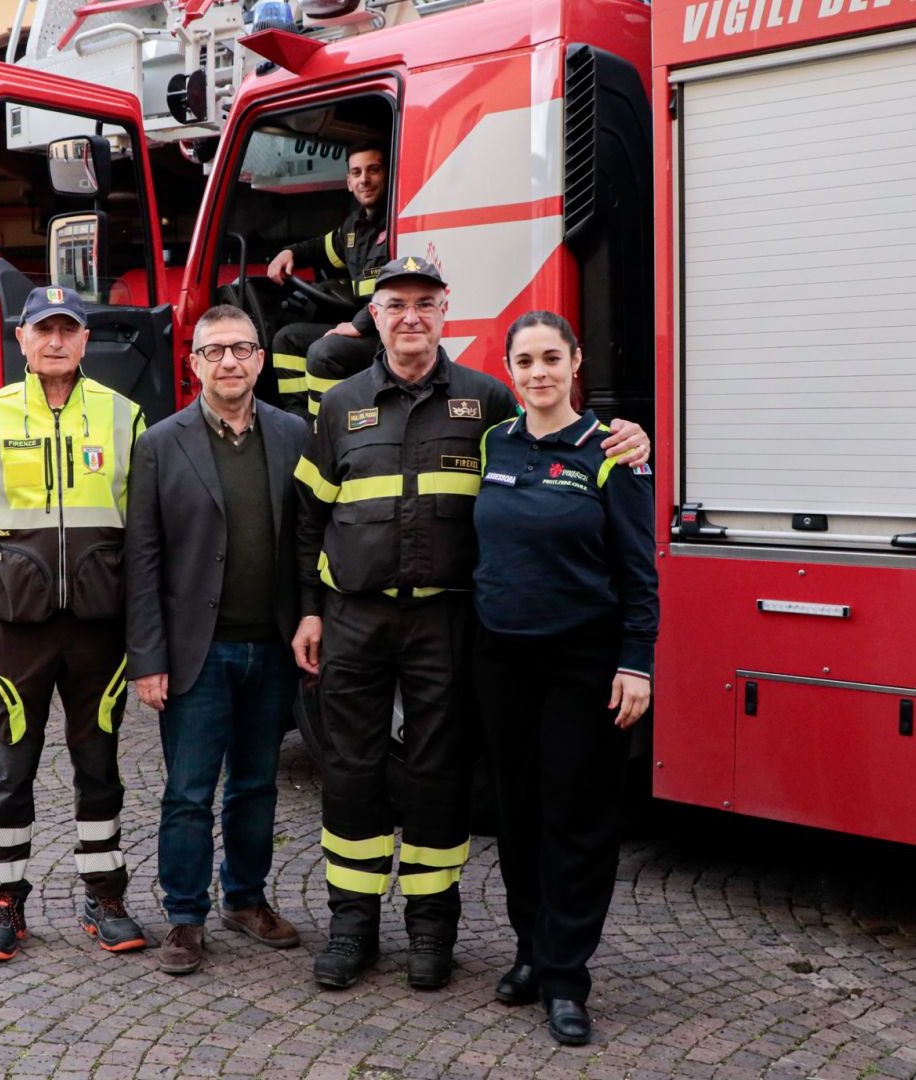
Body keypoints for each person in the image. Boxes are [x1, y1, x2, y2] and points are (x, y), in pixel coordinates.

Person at [291, 256, 651, 992]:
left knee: (439, 775)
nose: (411, 317)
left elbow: (555, 434)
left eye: (425, 303)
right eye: (396, 304)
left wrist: (630, 436)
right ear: (374, 315)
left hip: (447, 622)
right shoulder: (339, 404)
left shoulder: (486, 404)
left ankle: (433, 930)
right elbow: (307, 516)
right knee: (350, 771)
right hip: (355, 618)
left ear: (445, 311)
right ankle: (352, 926)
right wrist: (306, 610)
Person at [0, 285, 151, 964]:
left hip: (99, 624)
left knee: (100, 766)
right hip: (19, 628)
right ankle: (4, 901)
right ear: (22, 340)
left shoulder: (123, 416)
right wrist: (14, 574)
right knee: (13, 768)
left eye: (68, 329)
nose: (56, 341)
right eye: (44, 330)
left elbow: (145, 524)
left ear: (85, 340)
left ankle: (105, 897)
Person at [471, 311, 658, 1047]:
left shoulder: (612, 452)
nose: (538, 372)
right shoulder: (495, 441)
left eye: (552, 357)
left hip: (584, 662)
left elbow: (639, 570)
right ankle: (531, 949)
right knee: (516, 815)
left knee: (574, 820)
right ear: (509, 371)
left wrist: (636, 660)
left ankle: (566, 977)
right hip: (501, 659)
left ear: (576, 363)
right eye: (525, 361)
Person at [124, 305, 308, 976]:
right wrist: (147, 659)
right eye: (214, 351)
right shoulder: (159, 444)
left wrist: (310, 618)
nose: (228, 361)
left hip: (273, 647)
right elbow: (142, 560)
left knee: (256, 785)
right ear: (193, 363)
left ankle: (246, 899)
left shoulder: (294, 434)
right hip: (194, 654)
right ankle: (185, 917)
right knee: (189, 792)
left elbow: (308, 539)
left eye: (241, 349)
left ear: (260, 359)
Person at [267, 143, 388, 418]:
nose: (364, 179)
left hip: (386, 332)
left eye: (373, 170)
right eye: (356, 172)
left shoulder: (396, 222)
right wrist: (289, 253)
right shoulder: (354, 228)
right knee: (287, 339)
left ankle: (324, 429)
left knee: (324, 352)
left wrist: (358, 324)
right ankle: (298, 421)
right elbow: (321, 248)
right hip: (365, 328)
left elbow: (397, 290)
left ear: (386, 175)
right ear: (348, 182)